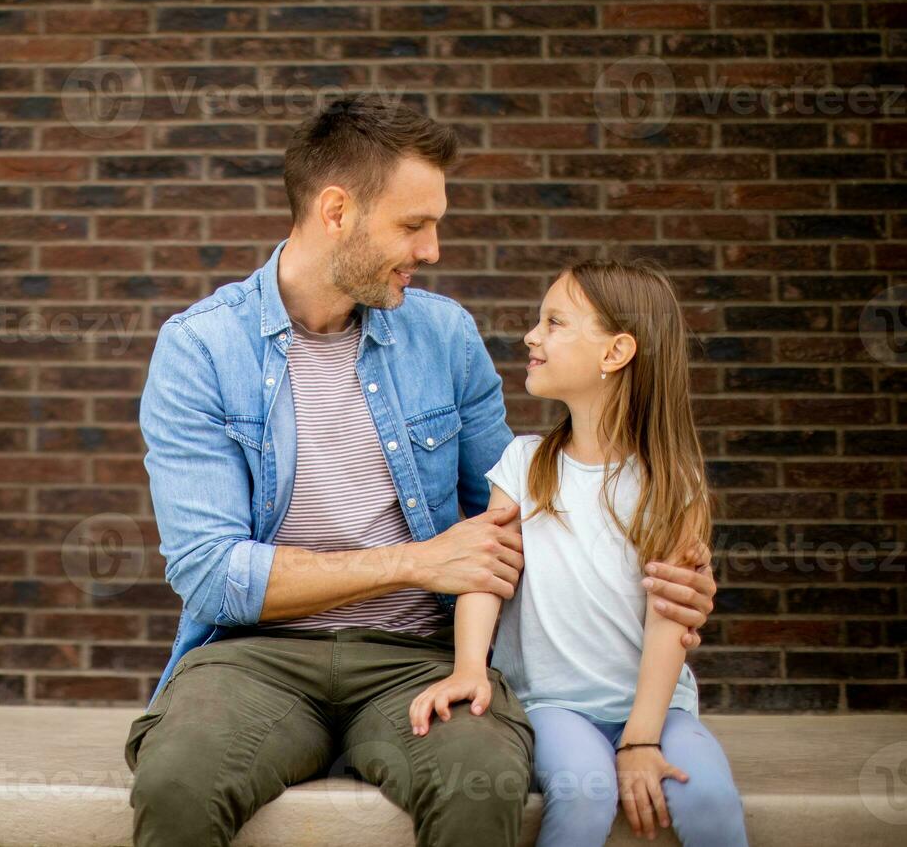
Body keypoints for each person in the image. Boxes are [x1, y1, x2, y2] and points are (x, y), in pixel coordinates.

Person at [126, 95, 721, 847]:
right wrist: (418, 560)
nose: (433, 249)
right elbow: (213, 574)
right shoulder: (201, 350)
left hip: (420, 660)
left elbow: (520, 519)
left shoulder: (444, 336)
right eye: (414, 225)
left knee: (486, 782)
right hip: (254, 660)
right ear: (336, 211)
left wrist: (664, 575)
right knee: (177, 781)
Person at [408, 259, 747, 846]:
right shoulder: (522, 465)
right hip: (552, 704)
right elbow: (485, 575)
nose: (531, 336)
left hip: (659, 709)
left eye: (555, 323)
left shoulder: (675, 482)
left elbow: (671, 616)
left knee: (711, 797)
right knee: (587, 793)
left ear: (615, 353)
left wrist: (641, 738)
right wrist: (468, 668)